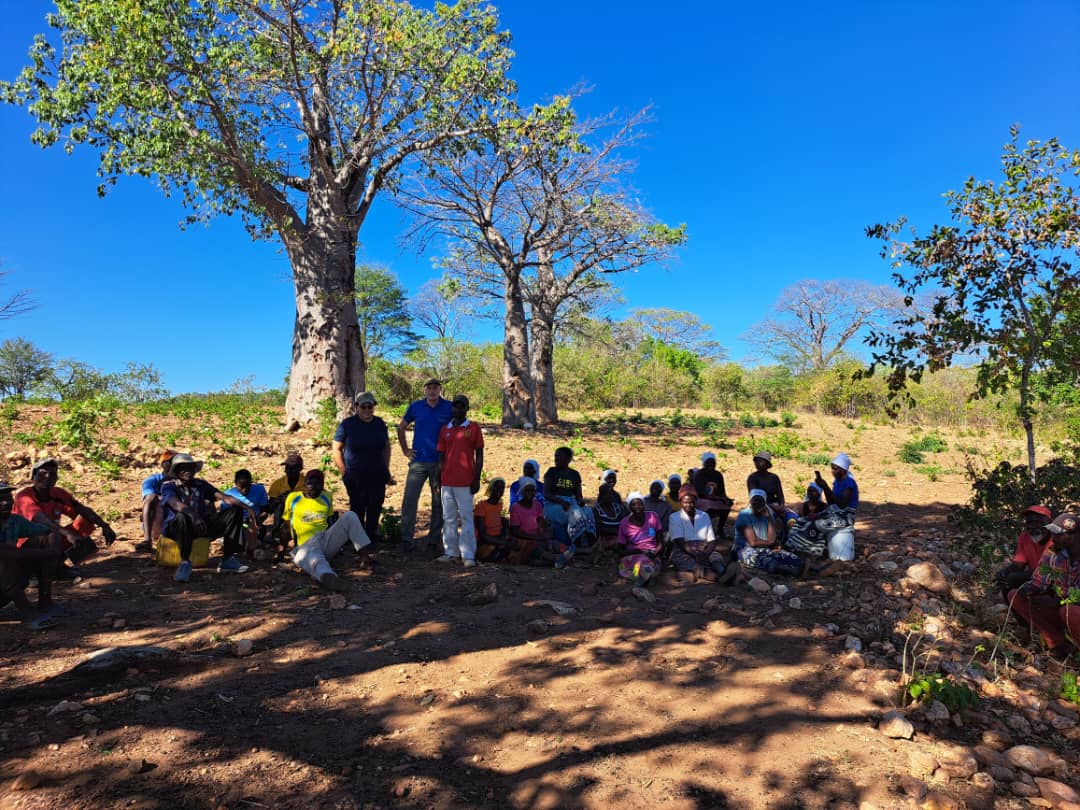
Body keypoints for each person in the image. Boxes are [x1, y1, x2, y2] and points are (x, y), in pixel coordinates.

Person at [160, 453, 261, 583]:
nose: (188, 471)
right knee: (182, 516)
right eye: (183, 468)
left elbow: (223, 497)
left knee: (234, 511)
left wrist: (247, 508)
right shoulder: (169, 486)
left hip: (199, 525)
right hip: (177, 528)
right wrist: (193, 515)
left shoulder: (200, 484)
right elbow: (174, 503)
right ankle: (185, 562)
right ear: (177, 471)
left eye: (190, 468)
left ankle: (228, 559)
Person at [15, 458, 118, 576]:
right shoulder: (24, 497)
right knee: (52, 534)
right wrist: (67, 533)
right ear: (33, 477)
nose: (48, 477)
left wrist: (104, 525)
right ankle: (37, 572)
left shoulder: (58, 493)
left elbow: (81, 509)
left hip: (52, 540)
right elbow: (40, 519)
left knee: (84, 521)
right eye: (43, 473)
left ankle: (57, 565)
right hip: (26, 545)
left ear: (57, 478)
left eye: (52, 473)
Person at [284, 469, 372, 591]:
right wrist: (281, 549)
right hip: (305, 546)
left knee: (350, 515)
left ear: (323, 485)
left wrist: (338, 542)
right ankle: (329, 578)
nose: (314, 487)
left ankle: (365, 557)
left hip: (324, 539)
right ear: (305, 484)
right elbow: (286, 524)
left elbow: (330, 521)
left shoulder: (326, 497)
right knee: (316, 560)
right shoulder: (293, 498)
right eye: (310, 483)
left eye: (318, 483)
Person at [1008, 512, 1080, 660]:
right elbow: (1039, 580)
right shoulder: (1053, 552)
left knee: (1069, 611)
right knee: (1015, 595)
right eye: (1053, 533)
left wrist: (1057, 602)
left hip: (1072, 609)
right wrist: (1030, 590)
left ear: (1075, 536)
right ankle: (1058, 644)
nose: (1054, 538)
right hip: (1061, 607)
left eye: (1060, 534)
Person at [397, 378, 453, 552]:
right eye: (429, 388)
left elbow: (456, 429)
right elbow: (401, 427)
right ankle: (406, 539)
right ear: (424, 390)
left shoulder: (449, 407)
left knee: (438, 502)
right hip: (418, 461)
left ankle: (433, 541)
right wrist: (406, 450)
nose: (432, 391)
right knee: (410, 500)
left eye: (435, 388)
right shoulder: (416, 407)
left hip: (439, 462)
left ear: (440, 390)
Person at [0, 482, 64, 630]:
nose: (5, 503)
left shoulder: (13, 521)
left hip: (7, 584)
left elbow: (49, 531)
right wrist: (44, 553)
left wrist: (52, 547)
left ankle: (45, 602)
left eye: (8, 498)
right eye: (0, 500)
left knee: (46, 539)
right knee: (6, 558)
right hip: (5, 577)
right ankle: (29, 614)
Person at [333, 391, 392, 543]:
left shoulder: (379, 423)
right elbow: (336, 449)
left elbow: (386, 447)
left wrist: (386, 468)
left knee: (375, 507)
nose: (367, 410)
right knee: (357, 508)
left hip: (377, 474)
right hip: (355, 475)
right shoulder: (347, 425)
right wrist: (344, 472)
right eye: (363, 406)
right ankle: (357, 541)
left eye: (370, 406)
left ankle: (370, 537)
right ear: (357, 407)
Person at [436, 395, 484, 567]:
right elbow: (441, 455)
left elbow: (479, 455)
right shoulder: (445, 429)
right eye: (455, 406)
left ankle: (468, 554)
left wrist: (477, 478)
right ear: (452, 409)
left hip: (465, 481)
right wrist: (439, 479)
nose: (458, 409)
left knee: (466, 517)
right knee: (448, 517)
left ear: (467, 409)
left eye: (462, 406)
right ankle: (450, 551)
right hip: (447, 481)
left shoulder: (473, 428)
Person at [542, 447, 596, 567]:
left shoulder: (574, 474)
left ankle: (588, 542)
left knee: (588, 512)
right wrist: (561, 501)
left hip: (571, 503)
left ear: (568, 459)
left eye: (559, 456)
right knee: (575, 513)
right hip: (553, 504)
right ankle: (578, 546)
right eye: (555, 456)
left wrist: (580, 501)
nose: (556, 459)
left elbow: (579, 496)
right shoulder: (551, 472)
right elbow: (546, 494)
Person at [734, 490, 806, 577]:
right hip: (745, 549)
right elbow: (753, 542)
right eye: (755, 500)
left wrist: (769, 519)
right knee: (764, 560)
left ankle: (805, 567)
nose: (758, 503)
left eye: (761, 501)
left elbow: (772, 537)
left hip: (764, 548)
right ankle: (791, 571)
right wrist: (770, 542)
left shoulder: (766, 514)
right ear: (750, 501)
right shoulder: (744, 515)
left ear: (764, 503)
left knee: (792, 558)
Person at [669, 485, 729, 582]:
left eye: (691, 502)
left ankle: (724, 573)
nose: (688, 505)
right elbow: (681, 543)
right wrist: (696, 554)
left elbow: (712, 540)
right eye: (685, 502)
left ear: (696, 501)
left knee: (715, 558)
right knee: (701, 568)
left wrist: (706, 553)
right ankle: (722, 578)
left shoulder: (704, 515)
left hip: (704, 550)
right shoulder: (674, 517)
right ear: (680, 502)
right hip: (684, 552)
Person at [996, 505, 1053, 601]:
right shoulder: (1024, 537)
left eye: (1039, 522)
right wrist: (1004, 572)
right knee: (1006, 582)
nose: (1034, 527)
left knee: (1013, 579)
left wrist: (1014, 576)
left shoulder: (1055, 540)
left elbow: (1046, 573)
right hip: (1034, 577)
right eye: (1030, 523)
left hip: (1051, 580)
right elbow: (1018, 565)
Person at [812, 453, 859, 562]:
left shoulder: (848, 483)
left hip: (845, 517)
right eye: (832, 468)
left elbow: (842, 503)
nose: (833, 471)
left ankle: (814, 553)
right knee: (809, 521)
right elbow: (831, 501)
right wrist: (824, 487)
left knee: (817, 525)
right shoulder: (837, 482)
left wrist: (825, 487)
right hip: (836, 515)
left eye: (836, 469)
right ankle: (815, 551)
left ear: (843, 470)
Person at [616, 492, 663, 587]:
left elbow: (660, 542)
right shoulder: (624, 523)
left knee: (646, 564)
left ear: (644, 505)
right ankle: (643, 578)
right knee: (631, 564)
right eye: (633, 504)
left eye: (640, 504)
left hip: (651, 554)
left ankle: (639, 579)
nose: (637, 507)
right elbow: (620, 549)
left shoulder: (653, 516)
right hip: (633, 554)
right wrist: (636, 551)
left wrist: (655, 552)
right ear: (629, 507)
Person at [221, 469, 271, 546]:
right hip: (237, 523)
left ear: (251, 482)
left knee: (259, 531)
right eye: (241, 487)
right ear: (235, 483)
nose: (244, 490)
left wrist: (257, 520)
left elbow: (264, 510)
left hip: (254, 522)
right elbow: (225, 517)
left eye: (247, 486)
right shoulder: (228, 495)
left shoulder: (260, 489)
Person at [507, 478, 550, 565]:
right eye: (527, 490)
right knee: (534, 548)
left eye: (532, 490)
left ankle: (549, 560)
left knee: (552, 544)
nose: (530, 493)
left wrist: (544, 532)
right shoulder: (515, 508)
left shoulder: (537, 505)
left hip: (535, 538)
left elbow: (540, 522)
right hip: (523, 540)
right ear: (522, 491)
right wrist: (537, 538)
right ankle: (554, 559)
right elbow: (515, 532)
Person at [139, 450, 174, 551]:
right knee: (151, 499)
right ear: (164, 465)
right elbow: (148, 498)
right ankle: (147, 540)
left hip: (180, 523)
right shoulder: (153, 480)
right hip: (160, 522)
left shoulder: (184, 480)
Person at [268, 453, 305, 542]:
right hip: (284, 513)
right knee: (279, 506)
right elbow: (269, 508)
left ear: (300, 469)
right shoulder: (278, 484)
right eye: (287, 468)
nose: (289, 471)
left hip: (303, 511)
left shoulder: (307, 483)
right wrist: (280, 499)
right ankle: (277, 531)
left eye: (293, 468)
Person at [693, 452, 733, 530]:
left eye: (713, 462)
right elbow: (701, 493)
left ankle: (720, 530)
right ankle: (705, 530)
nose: (711, 465)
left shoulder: (718, 475)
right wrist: (719, 498)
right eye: (708, 462)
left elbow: (722, 491)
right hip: (701, 499)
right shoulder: (699, 474)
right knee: (708, 506)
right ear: (704, 463)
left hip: (715, 499)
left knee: (726, 508)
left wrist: (726, 499)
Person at [474, 478, 510, 562]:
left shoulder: (499, 505)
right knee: (492, 548)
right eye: (496, 487)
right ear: (491, 488)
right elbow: (482, 534)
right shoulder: (482, 505)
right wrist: (502, 542)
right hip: (485, 540)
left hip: (497, 537)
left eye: (501, 488)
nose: (499, 490)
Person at [593, 482, 629, 552]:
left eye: (611, 493)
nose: (610, 496)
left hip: (619, 538)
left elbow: (625, 524)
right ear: (601, 496)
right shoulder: (596, 510)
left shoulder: (618, 508)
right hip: (604, 540)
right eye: (607, 494)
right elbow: (599, 529)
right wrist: (617, 531)